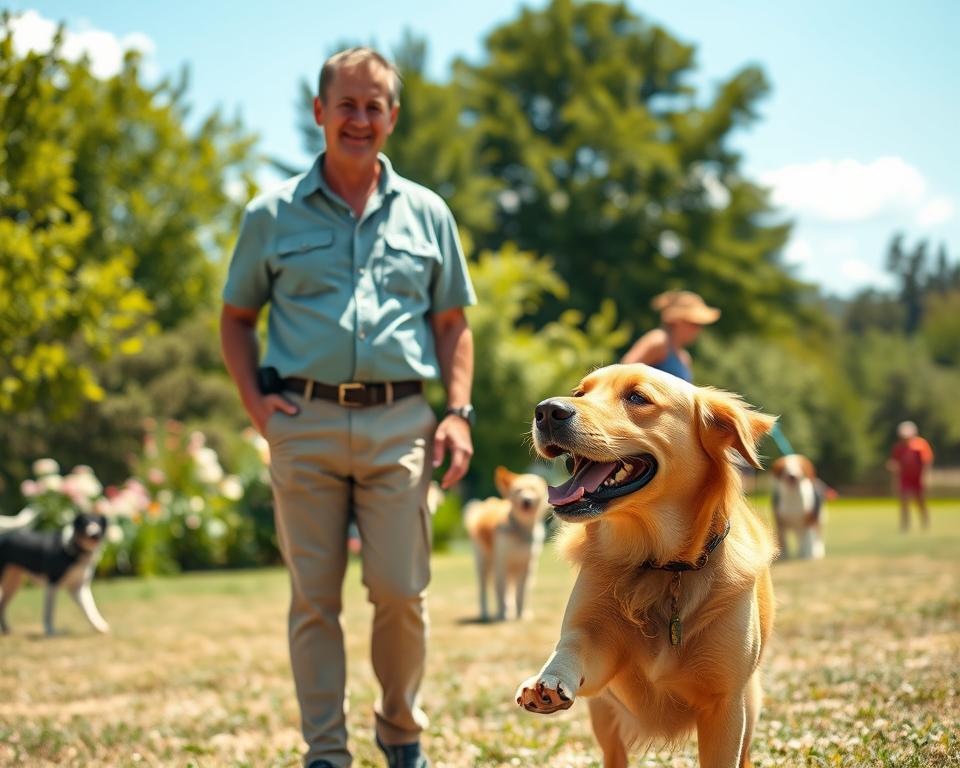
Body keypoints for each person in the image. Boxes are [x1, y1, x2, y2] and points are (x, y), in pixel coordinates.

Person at [220, 47, 476, 768]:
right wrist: (259, 409)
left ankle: (399, 728)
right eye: (346, 105)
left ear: (392, 116)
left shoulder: (429, 213)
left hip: (402, 424)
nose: (359, 119)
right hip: (303, 424)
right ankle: (326, 752)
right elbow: (236, 319)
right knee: (314, 600)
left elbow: (452, 324)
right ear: (319, 112)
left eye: (373, 107)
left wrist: (457, 412)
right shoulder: (270, 215)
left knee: (401, 591)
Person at [620, 290, 720, 382]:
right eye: (694, 324)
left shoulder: (685, 357)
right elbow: (622, 374)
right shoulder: (658, 341)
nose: (698, 330)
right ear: (677, 320)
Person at [886, 420, 934, 531]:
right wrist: (893, 468)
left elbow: (926, 462)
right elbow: (895, 462)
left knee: (920, 501)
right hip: (905, 478)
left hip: (918, 477)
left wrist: (925, 477)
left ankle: (925, 523)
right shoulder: (898, 447)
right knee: (904, 501)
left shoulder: (921, 445)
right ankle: (905, 526)